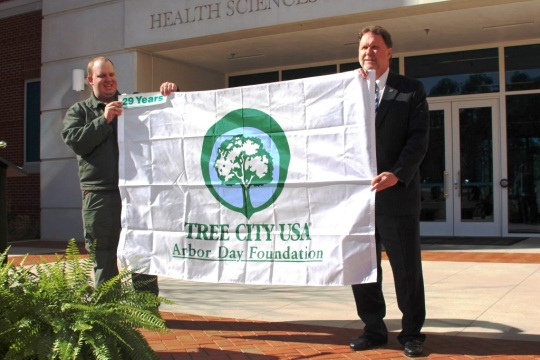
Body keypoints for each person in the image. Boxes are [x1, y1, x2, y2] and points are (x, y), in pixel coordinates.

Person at [62, 56, 178, 294]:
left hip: (137, 193)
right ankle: (110, 313)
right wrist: (103, 120)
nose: (108, 80)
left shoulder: (133, 103)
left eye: (111, 75)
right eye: (102, 75)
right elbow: (76, 142)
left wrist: (172, 93)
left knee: (142, 252)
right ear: (90, 80)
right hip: (100, 194)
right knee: (103, 253)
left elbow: (168, 116)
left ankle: (147, 311)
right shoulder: (79, 111)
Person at [349, 26, 430, 357]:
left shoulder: (410, 91)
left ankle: (411, 333)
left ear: (389, 53)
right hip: (357, 202)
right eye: (364, 47)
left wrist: (397, 175)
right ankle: (374, 329)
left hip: (396, 198)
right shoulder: (348, 90)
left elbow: (418, 139)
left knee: (406, 270)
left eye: (375, 47)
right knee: (363, 271)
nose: (369, 52)